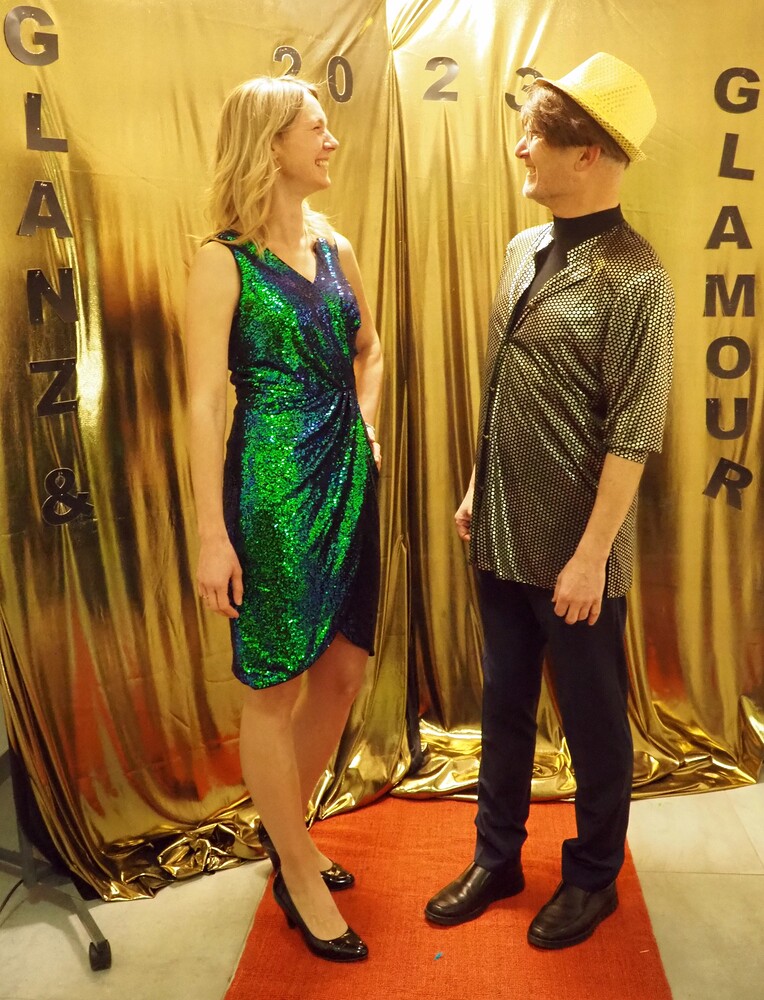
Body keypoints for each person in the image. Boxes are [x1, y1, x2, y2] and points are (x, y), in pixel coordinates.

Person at [425, 52, 673, 949]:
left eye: (535, 136)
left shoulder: (637, 279)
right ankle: (497, 857)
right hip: (497, 533)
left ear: (588, 154)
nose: (520, 149)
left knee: (595, 720)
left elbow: (633, 432)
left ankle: (594, 877)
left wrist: (590, 556)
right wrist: (475, 485)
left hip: (577, 556)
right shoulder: (521, 249)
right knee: (501, 707)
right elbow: (504, 385)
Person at [185, 76, 382, 963]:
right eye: (317, 128)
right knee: (273, 686)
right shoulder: (221, 261)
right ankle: (297, 869)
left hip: (349, 477)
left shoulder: (336, 246)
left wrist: (368, 425)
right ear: (270, 143)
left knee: (343, 671)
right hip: (269, 488)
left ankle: (286, 835)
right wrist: (210, 534)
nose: (331, 142)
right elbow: (200, 404)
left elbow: (370, 349)